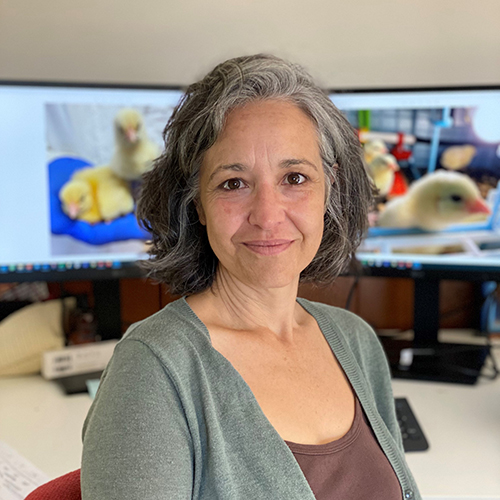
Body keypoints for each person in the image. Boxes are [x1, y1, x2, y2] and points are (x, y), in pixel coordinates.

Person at [81, 54, 420, 500]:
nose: (267, 215)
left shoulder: (356, 341)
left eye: (295, 177)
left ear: (329, 190)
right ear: (196, 202)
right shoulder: (152, 371)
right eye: (233, 183)